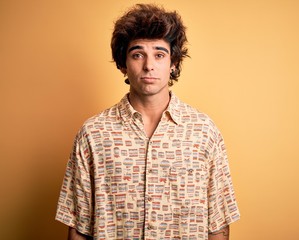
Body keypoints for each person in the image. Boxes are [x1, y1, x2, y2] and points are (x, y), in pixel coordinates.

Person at [55, 4, 240, 240]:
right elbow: (79, 227)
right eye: (137, 54)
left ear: (173, 64)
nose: (149, 65)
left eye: (160, 55)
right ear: (123, 64)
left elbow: (218, 226)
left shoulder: (204, 132)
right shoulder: (93, 134)